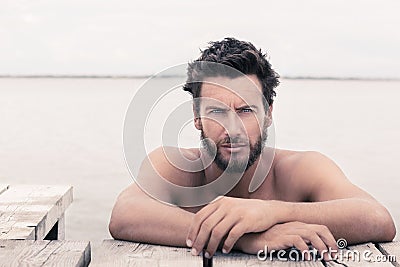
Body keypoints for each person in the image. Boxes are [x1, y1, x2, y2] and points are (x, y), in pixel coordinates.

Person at [109, 38, 395, 261]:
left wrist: (269, 212)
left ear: (267, 114)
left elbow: (377, 218)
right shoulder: (175, 165)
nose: (233, 128)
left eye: (245, 110)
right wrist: (245, 238)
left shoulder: (301, 169)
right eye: (216, 111)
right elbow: (125, 212)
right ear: (196, 118)